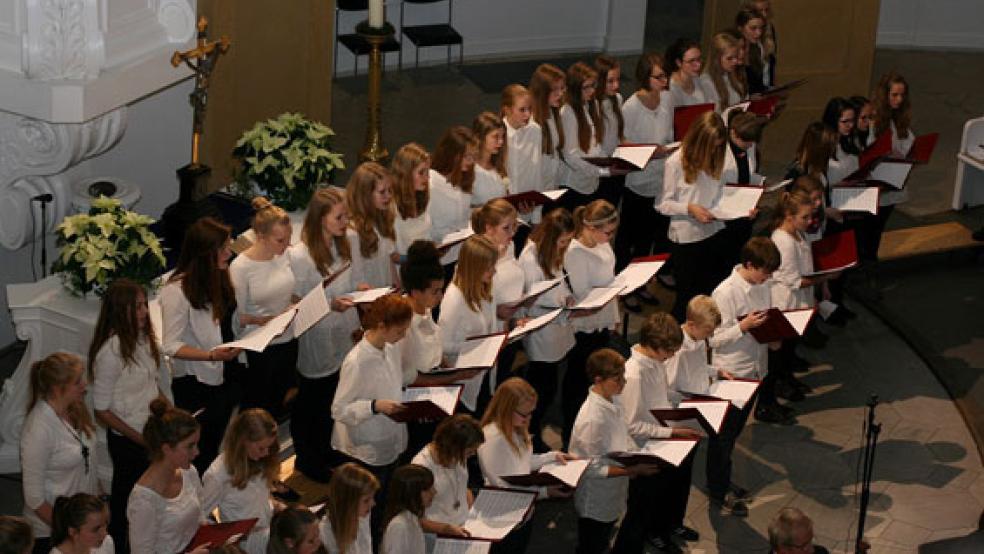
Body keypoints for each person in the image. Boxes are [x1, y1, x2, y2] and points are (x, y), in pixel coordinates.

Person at [87, 279, 169, 553]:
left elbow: (150, 384)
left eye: (144, 305)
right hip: (129, 440)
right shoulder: (110, 353)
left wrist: (167, 408)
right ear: (120, 310)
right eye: (137, 307)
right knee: (128, 500)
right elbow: (102, 411)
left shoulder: (143, 339)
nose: (145, 312)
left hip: (150, 430)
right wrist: (140, 439)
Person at [287, 187, 361, 482]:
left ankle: (326, 448)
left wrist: (359, 293)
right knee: (312, 401)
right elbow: (293, 301)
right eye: (339, 217)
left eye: (346, 216)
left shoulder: (341, 245)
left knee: (333, 395)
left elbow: (347, 283)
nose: (346, 222)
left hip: (341, 329)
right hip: (317, 335)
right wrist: (329, 304)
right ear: (320, 219)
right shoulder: (301, 256)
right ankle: (307, 458)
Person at [666, 295, 761, 518]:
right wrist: (694, 400)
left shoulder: (697, 339)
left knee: (697, 462)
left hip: (701, 402)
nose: (709, 337)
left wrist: (715, 372)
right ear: (691, 325)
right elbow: (669, 387)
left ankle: (679, 518)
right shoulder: (678, 349)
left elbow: (701, 365)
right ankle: (712, 493)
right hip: (685, 412)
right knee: (678, 475)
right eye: (708, 332)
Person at [161, 216, 242, 474]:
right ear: (206, 253)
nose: (229, 254)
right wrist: (210, 356)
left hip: (227, 371)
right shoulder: (177, 291)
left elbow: (228, 320)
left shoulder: (218, 275)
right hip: (197, 383)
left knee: (216, 438)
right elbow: (170, 345)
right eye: (224, 249)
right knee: (199, 450)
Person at [618, 314, 701, 551]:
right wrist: (671, 434)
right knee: (645, 503)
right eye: (670, 352)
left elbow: (663, 395)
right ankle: (651, 534)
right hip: (646, 447)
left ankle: (668, 525)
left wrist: (690, 399)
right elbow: (632, 424)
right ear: (654, 347)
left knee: (671, 488)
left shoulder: (656, 362)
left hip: (663, 438)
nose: (672, 356)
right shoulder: (634, 374)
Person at [331, 294, 414, 530]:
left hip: (391, 435)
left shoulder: (390, 347)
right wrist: (374, 406)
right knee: (370, 512)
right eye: (400, 331)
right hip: (368, 446)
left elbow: (394, 381)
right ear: (381, 326)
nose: (403, 336)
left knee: (387, 502)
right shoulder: (356, 361)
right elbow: (339, 409)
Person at [569, 349, 661, 554]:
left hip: (614, 490)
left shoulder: (614, 398)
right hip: (596, 498)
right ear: (598, 379)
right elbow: (589, 468)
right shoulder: (592, 419)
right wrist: (632, 470)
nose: (623, 384)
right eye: (617, 379)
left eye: (623, 377)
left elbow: (623, 431)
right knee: (591, 545)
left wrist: (638, 453)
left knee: (603, 538)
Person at [478, 378, 573, 553]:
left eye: (531, 413)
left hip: (523, 511)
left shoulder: (515, 427)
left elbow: (523, 460)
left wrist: (552, 457)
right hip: (503, 520)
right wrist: (545, 492)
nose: (529, 418)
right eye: (524, 414)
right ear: (506, 408)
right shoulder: (493, 439)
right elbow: (504, 486)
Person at [21, 353, 98, 554]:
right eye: (77, 381)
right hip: (52, 532)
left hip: (81, 524)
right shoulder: (38, 429)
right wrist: (68, 533)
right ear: (58, 388)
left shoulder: (75, 408)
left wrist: (99, 501)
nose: (85, 385)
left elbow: (88, 459)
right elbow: (34, 499)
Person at [711, 237, 788, 435]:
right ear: (749, 265)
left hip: (757, 367)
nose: (769, 277)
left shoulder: (763, 286)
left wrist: (774, 334)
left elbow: (765, 319)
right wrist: (743, 326)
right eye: (765, 272)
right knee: (725, 433)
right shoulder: (724, 293)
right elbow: (713, 339)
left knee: (737, 429)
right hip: (733, 371)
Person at [657, 110, 729, 322]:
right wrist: (690, 208)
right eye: (711, 146)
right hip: (686, 238)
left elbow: (719, 191)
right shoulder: (675, 163)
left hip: (712, 231)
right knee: (687, 298)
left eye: (718, 146)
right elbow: (663, 204)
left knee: (710, 292)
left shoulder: (717, 156)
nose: (715, 150)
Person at [230, 197, 298, 419]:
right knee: (259, 404)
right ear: (260, 237)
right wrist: (262, 320)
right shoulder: (241, 267)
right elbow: (237, 317)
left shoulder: (284, 253)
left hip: (288, 336)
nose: (287, 245)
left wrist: (296, 303)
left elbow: (289, 288)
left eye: (288, 238)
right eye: (280, 240)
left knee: (282, 397)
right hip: (261, 346)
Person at [615, 51, 674, 308]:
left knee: (648, 239)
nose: (664, 81)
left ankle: (641, 284)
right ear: (645, 78)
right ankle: (624, 288)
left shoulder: (667, 99)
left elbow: (671, 131)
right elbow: (622, 141)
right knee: (629, 238)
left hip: (660, 180)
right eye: (659, 77)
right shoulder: (631, 106)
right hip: (638, 182)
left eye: (665, 76)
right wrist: (652, 151)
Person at [561, 200, 620, 448]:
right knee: (578, 380)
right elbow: (583, 295)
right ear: (589, 227)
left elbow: (608, 273)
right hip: (585, 325)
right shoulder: (574, 252)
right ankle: (571, 434)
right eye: (607, 232)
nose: (610, 237)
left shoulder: (601, 243)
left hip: (603, 317)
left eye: (612, 232)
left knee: (594, 378)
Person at [516, 209, 577, 451]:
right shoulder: (530, 257)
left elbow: (559, 279)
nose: (566, 245)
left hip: (556, 325)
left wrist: (568, 297)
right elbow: (530, 295)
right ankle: (530, 431)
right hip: (541, 327)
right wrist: (559, 300)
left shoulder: (552, 251)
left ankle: (536, 427)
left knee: (550, 383)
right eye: (563, 241)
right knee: (541, 385)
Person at [127, 400, 206, 554]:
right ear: (167, 449)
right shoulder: (143, 500)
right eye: (190, 446)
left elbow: (200, 516)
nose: (197, 452)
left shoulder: (189, 472)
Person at [203, 409, 281, 554]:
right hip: (246, 542)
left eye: (269, 447)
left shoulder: (258, 459)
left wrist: (277, 506)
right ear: (243, 441)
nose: (266, 453)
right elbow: (201, 516)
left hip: (269, 525)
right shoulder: (218, 475)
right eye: (261, 448)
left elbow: (257, 498)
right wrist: (227, 540)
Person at [437, 235, 499, 413]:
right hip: (464, 378)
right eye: (489, 268)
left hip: (483, 370)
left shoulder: (484, 285)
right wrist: (477, 346)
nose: (494, 271)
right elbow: (442, 345)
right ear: (474, 267)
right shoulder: (454, 299)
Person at [473, 200, 526, 393]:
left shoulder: (508, 246)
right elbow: (471, 301)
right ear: (489, 228)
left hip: (508, 328)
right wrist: (496, 312)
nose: (512, 233)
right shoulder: (476, 256)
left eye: (515, 226)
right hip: (488, 335)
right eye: (506, 228)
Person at [411, 414, 484, 538]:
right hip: (437, 535)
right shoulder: (421, 466)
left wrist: (472, 515)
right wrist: (447, 529)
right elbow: (415, 519)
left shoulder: (457, 455)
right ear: (454, 445)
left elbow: (461, 487)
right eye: (470, 450)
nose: (473, 454)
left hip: (463, 527)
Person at [428, 126, 479, 270]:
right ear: (452, 154)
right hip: (440, 262)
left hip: (462, 257)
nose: (471, 162)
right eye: (467, 156)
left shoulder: (464, 179)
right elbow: (425, 225)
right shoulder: (431, 183)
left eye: (473, 156)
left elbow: (461, 219)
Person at [719, 111, 766, 266]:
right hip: (726, 215)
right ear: (733, 133)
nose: (750, 146)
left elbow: (749, 172)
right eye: (747, 141)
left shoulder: (747, 144)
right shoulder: (720, 152)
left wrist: (759, 184)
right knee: (728, 256)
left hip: (744, 208)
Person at [559, 61, 605, 210]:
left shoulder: (594, 104)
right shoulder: (567, 112)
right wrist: (599, 170)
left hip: (592, 181)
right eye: (586, 87)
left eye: (593, 85)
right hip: (574, 185)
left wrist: (607, 163)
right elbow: (571, 156)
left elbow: (596, 142)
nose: (591, 91)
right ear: (574, 89)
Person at [501, 83, 542, 248]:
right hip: (504, 216)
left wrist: (537, 216)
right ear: (507, 110)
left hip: (527, 211)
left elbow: (536, 171)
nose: (527, 114)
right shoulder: (498, 134)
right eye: (522, 110)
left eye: (529, 109)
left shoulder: (535, 131)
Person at [347, 162, 399, 288]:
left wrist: (398, 289)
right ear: (365, 195)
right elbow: (357, 278)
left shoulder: (383, 218)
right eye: (382, 192)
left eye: (390, 190)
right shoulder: (352, 232)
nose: (389, 196)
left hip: (385, 293)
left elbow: (389, 262)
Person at [528, 64, 570, 202]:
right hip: (537, 195)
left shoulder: (553, 112)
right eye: (554, 90)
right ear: (541, 92)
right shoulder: (531, 124)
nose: (560, 94)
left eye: (562, 88)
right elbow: (529, 169)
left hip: (552, 190)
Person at [318, 463, 378, 554]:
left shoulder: (363, 515)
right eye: (366, 500)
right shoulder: (326, 532)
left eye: (372, 497)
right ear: (348, 502)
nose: (373, 504)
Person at [594, 55, 626, 210]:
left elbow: (618, 136)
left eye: (618, 79)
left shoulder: (618, 99)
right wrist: (606, 170)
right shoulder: (591, 106)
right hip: (599, 172)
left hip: (615, 168)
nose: (616, 85)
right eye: (610, 81)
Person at [390, 143, 433, 258]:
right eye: (421, 172)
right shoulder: (391, 207)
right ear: (405, 174)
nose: (427, 177)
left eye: (428, 171)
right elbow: (391, 256)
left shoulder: (421, 197)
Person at [379, 465, 435, 554]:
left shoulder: (412, 518)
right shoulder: (399, 526)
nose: (434, 492)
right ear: (411, 493)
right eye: (427, 489)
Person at [49, 493, 113, 554]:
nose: (104, 533)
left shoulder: (106, 542)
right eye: (95, 529)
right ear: (73, 532)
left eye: (105, 524)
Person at [700, 32, 747, 112]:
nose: (735, 61)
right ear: (716, 59)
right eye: (730, 58)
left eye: (736, 57)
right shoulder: (706, 82)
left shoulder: (732, 75)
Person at [471, 112, 509, 206]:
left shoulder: (499, 167)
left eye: (502, 137)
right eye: (495, 136)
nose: (501, 142)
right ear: (479, 137)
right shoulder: (469, 169)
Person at [736, 9, 775, 94]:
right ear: (740, 28)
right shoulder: (732, 54)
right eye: (753, 28)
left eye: (761, 28)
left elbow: (759, 86)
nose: (759, 33)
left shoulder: (758, 50)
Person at [666, 38, 706, 109]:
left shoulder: (698, 80)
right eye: (692, 61)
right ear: (679, 63)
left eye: (699, 59)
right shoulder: (670, 87)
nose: (698, 65)